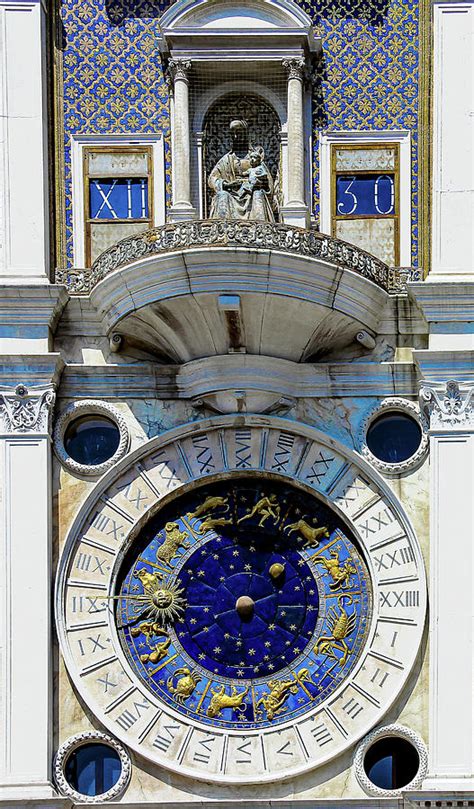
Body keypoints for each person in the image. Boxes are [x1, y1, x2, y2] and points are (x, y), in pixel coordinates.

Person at [208, 120, 275, 222]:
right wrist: (227, 185)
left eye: (238, 133)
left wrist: (259, 184)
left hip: (251, 194)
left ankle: (260, 229)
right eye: (233, 134)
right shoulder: (226, 160)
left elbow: (268, 183)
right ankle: (223, 230)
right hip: (231, 194)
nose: (235, 136)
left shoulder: (256, 159)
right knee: (222, 195)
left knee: (258, 194)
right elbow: (212, 179)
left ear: (245, 134)